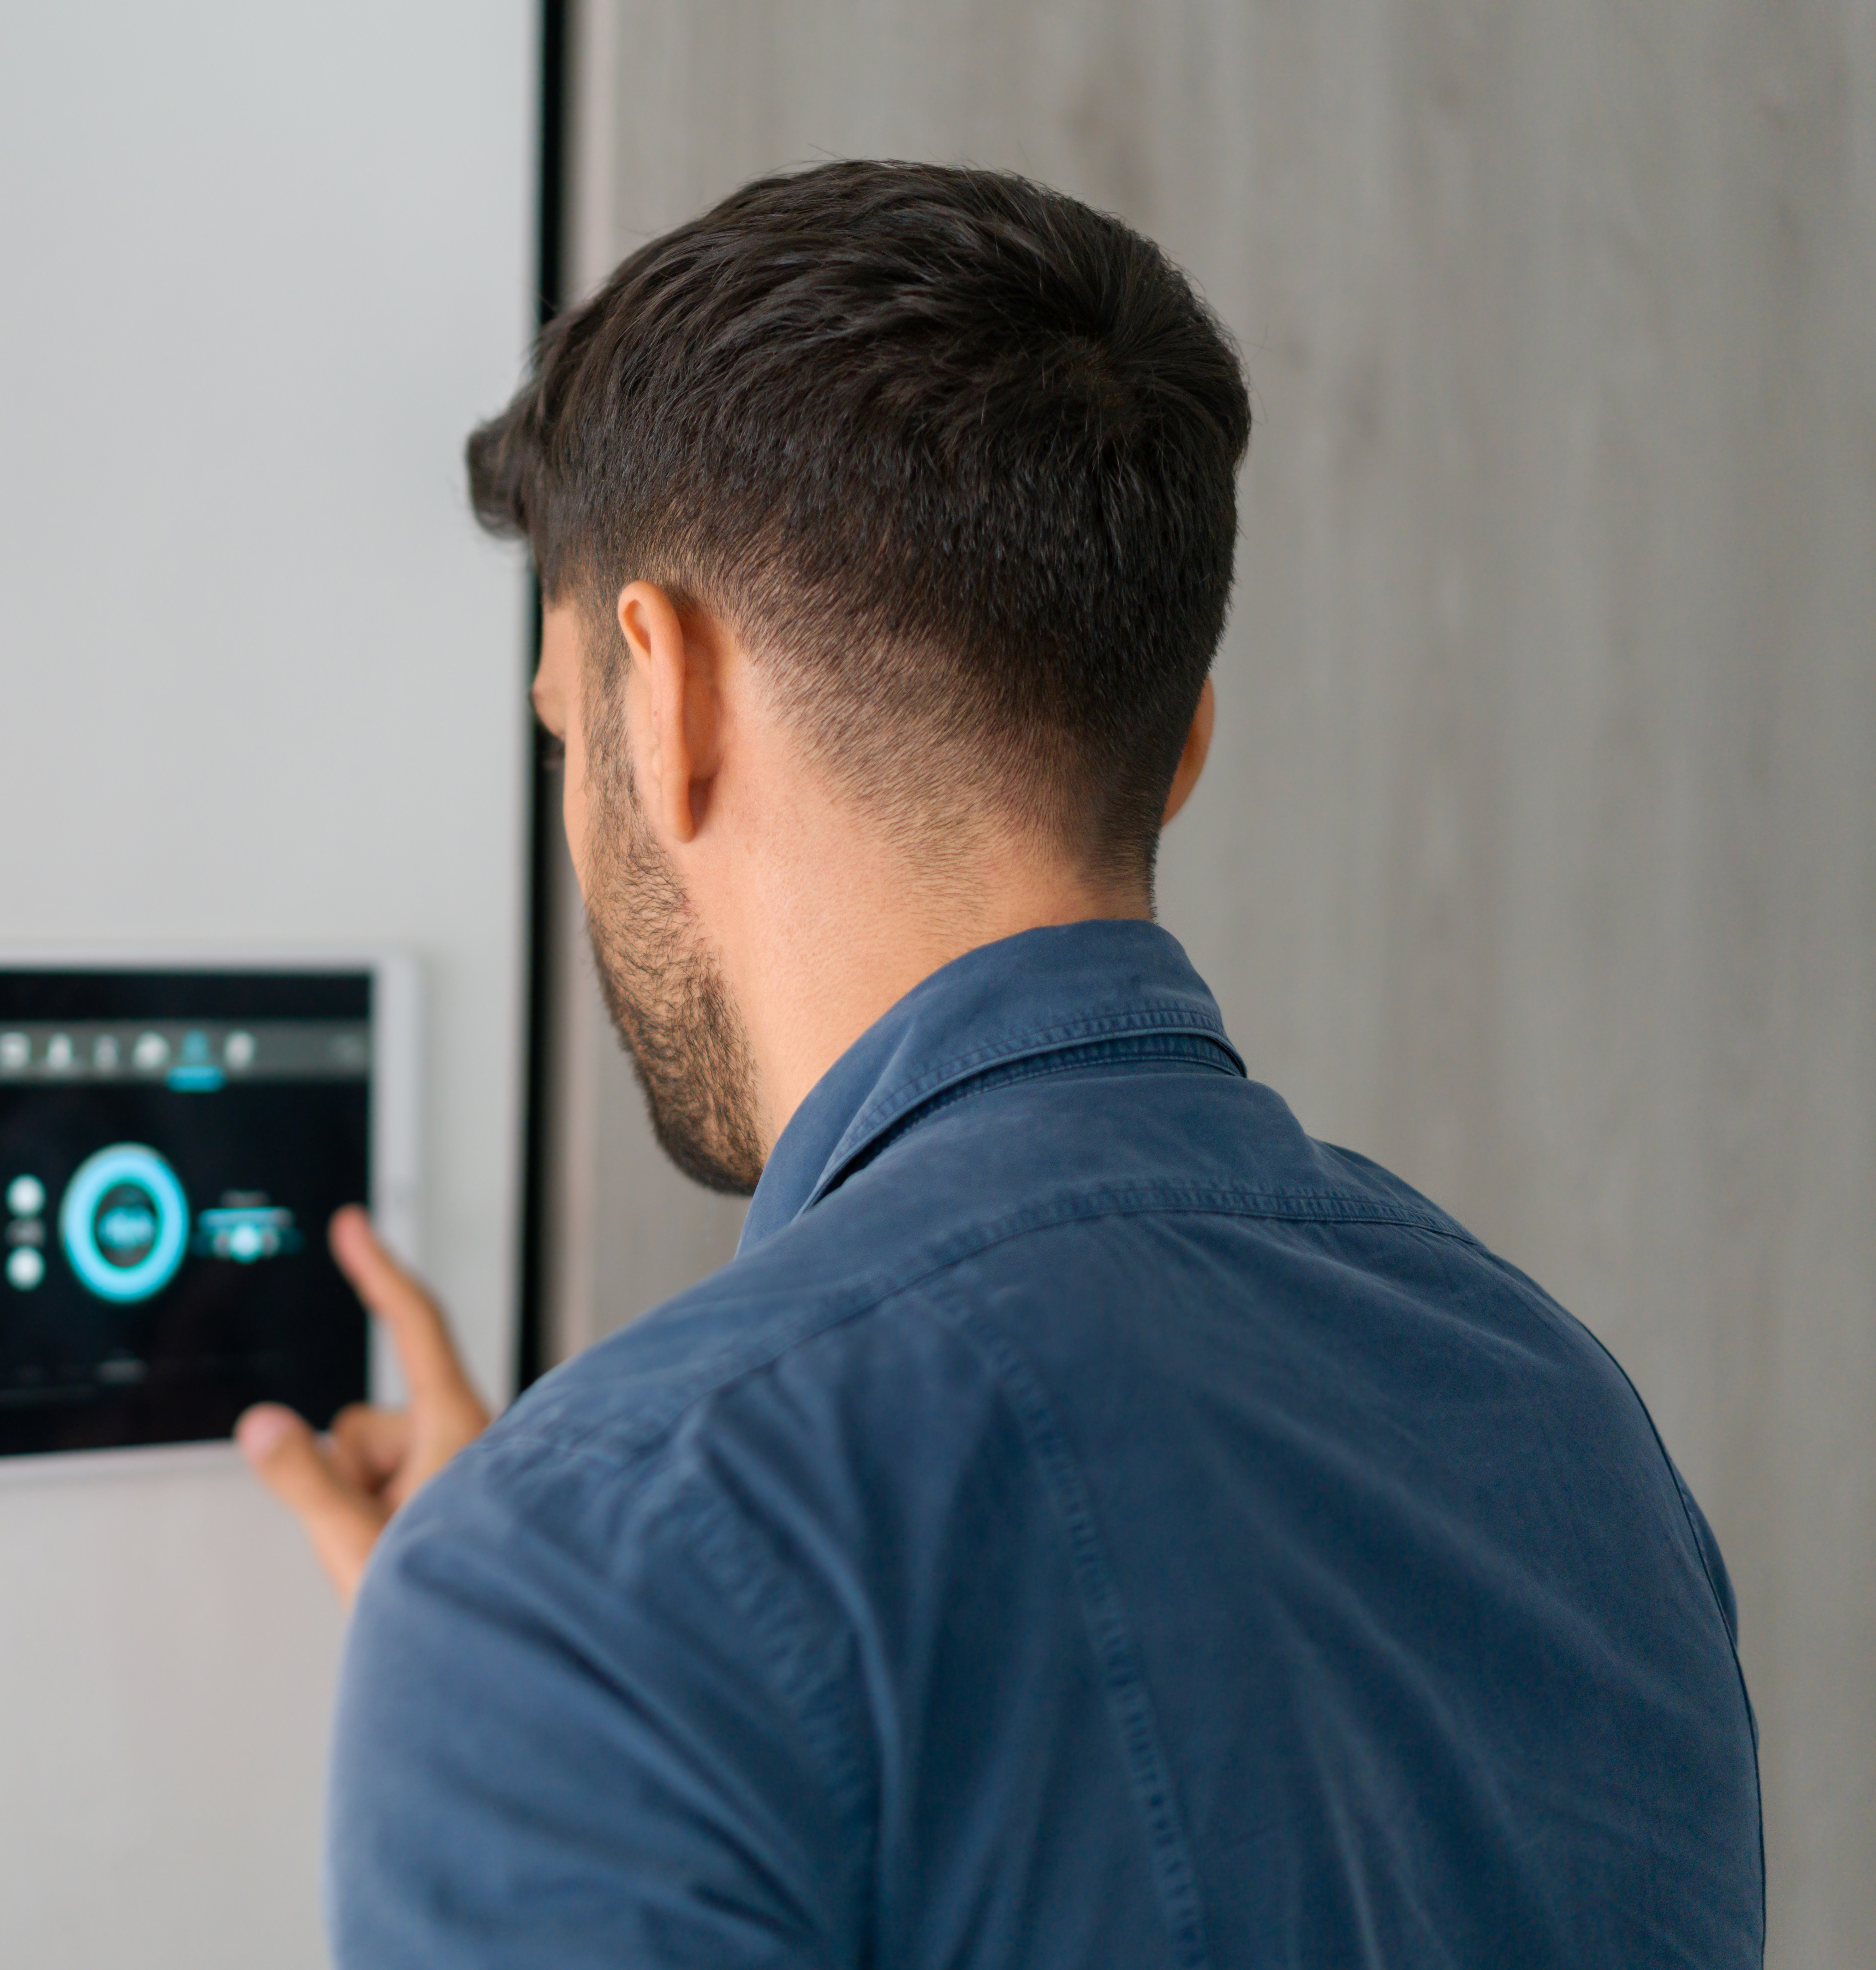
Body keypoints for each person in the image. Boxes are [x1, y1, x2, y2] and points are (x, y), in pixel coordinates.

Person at [230, 163, 1762, 1969]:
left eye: (568, 734)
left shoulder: (585, 1575)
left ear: (667, 700)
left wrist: (532, 1642)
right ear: (1181, 744)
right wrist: (562, 1677)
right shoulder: (1559, 1417)